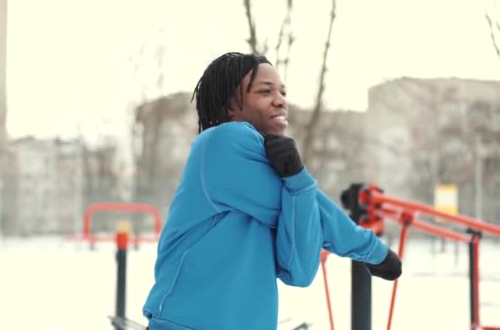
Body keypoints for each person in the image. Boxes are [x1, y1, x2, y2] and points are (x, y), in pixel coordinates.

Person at [142, 52, 401, 330]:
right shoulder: (222, 141)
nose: (280, 100)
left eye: (282, 91)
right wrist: (371, 250)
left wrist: (296, 181)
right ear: (230, 105)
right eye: (265, 91)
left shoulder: (273, 178)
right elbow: (319, 212)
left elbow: (299, 271)